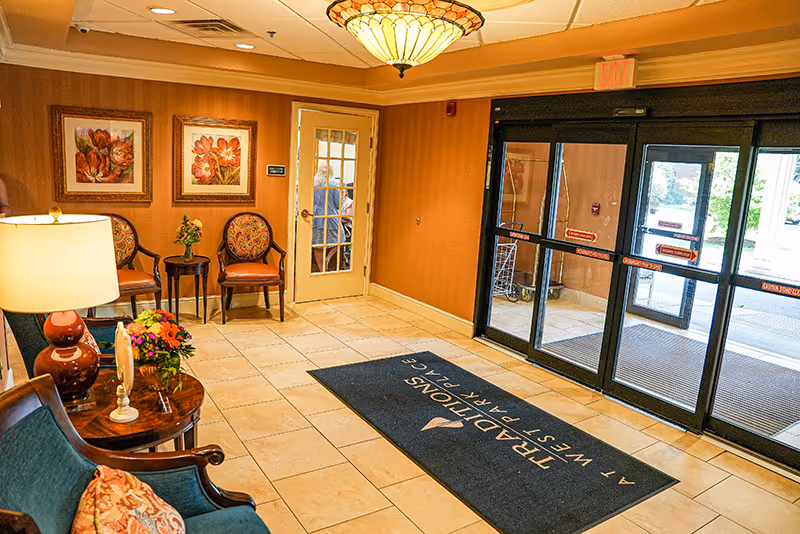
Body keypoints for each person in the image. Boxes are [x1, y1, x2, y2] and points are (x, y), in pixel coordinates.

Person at [312, 164, 342, 272]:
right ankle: (328, 258)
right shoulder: (333, 184)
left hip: (316, 217)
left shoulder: (314, 184)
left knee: (318, 244)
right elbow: (338, 204)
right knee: (340, 238)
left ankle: (321, 270)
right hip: (330, 216)